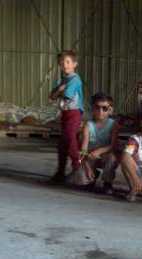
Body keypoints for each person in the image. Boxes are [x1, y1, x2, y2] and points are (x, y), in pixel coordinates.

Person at [49, 50, 84, 183]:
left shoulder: (75, 79)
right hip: (65, 113)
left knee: (70, 139)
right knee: (62, 144)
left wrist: (59, 91)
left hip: (74, 113)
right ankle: (60, 172)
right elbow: (52, 96)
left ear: (75, 64)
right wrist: (59, 89)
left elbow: (66, 95)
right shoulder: (62, 80)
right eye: (62, 62)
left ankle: (78, 167)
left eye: (68, 62)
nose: (65, 64)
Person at [74, 93, 120, 194]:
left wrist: (99, 151)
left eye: (104, 108)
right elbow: (83, 150)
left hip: (106, 156)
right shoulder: (88, 125)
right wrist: (86, 166)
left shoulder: (114, 125)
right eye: (97, 107)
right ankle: (93, 175)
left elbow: (113, 146)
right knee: (80, 180)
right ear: (92, 109)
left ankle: (108, 182)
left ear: (110, 110)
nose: (100, 111)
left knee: (112, 157)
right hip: (90, 156)